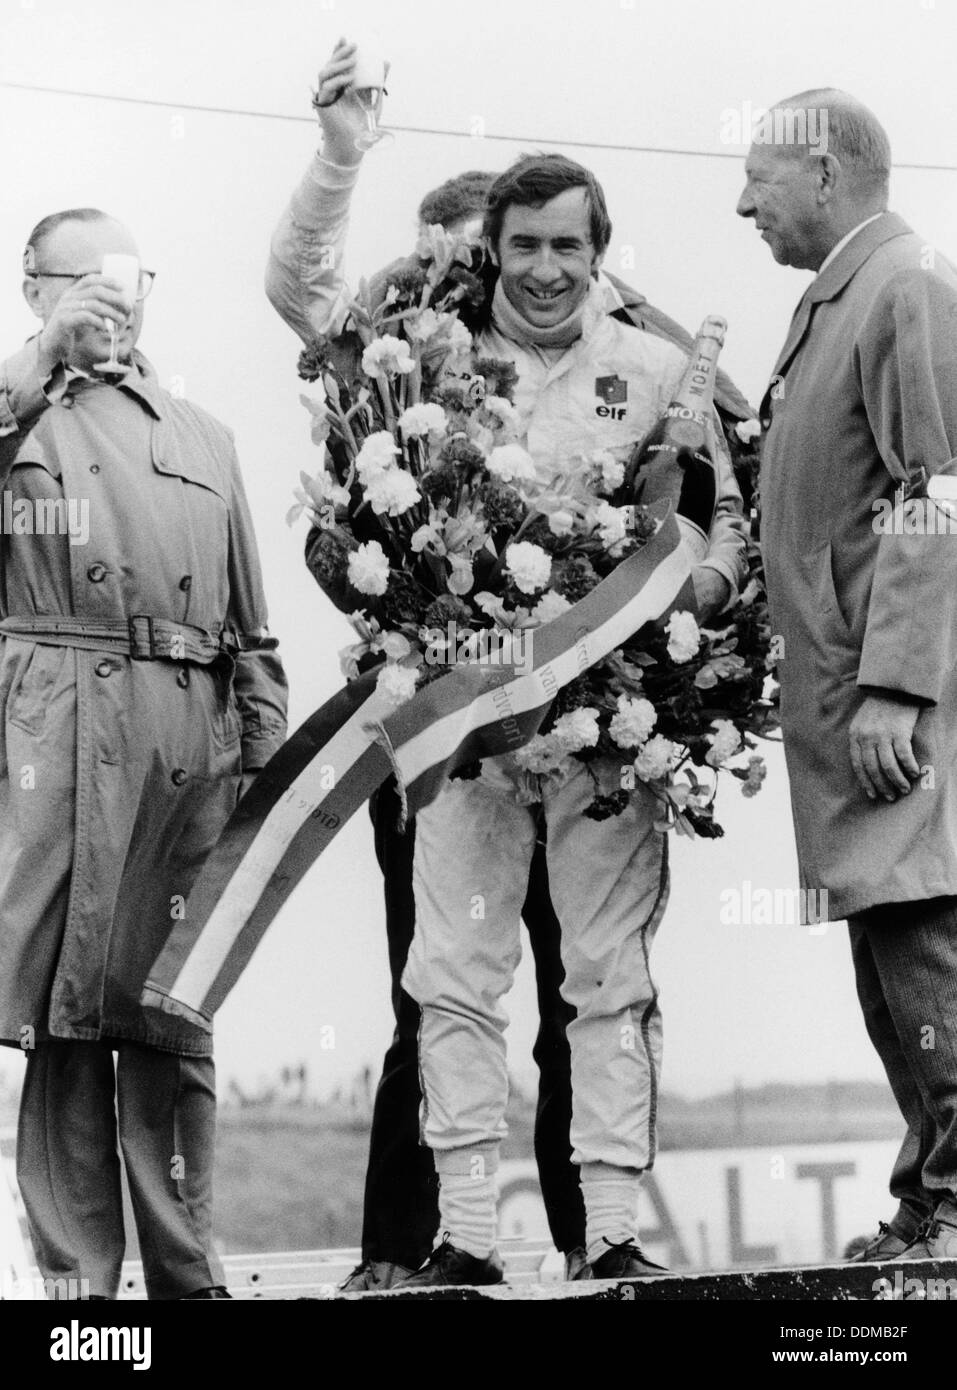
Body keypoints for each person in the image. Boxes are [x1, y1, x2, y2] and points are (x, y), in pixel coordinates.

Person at [266, 39, 750, 1287]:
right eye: (524, 245)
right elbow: (295, 286)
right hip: (468, 736)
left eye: (569, 249)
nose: (546, 270)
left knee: (607, 980)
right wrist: (337, 157)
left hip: (608, 732)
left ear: (601, 254)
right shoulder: (421, 352)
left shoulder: (658, 370)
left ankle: (615, 1229)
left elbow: (724, 526)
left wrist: (694, 589)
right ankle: (467, 1234)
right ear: (493, 247)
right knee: (454, 977)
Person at [0, 208, 288, 1299]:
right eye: (86, 283)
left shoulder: (204, 435)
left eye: (129, 281)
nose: (113, 302)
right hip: (59, 729)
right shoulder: (17, 414)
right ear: (37, 288)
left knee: (176, 1001)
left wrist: (260, 750)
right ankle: (78, 1274)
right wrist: (41, 356)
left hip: (187, 740)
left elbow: (250, 621)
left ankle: (186, 1268)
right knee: (70, 1005)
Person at [738, 88, 957, 1263]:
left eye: (757, 181)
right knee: (890, 949)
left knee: (924, 930)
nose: (741, 203)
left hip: (889, 705)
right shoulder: (842, 299)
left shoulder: (905, 284)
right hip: (844, 698)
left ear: (820, 171)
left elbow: (943, 492)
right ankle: (932, 1193)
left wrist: (900, 686)